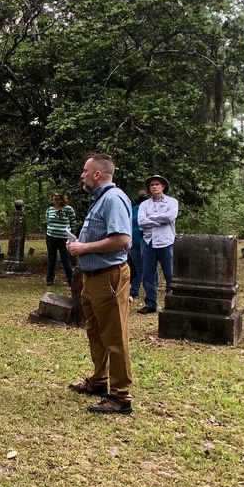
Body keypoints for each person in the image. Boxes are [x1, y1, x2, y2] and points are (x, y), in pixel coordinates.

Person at [66, 154, 134, 415]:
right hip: (92, 278)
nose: (82, 175)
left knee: (115, 336)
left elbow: (122, 240)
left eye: (85, 171)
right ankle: (98, 381)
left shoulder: (113, 199)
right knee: (96, 332)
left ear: (97, 174)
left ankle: (120, 397)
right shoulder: (100, 200)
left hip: (109, 278)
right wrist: (78, 246)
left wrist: (84, 247)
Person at [137, 174, 178, 315]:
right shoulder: (144, 204)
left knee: (170, 274)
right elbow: (141, 222)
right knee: (148, 274)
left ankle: (172, 303)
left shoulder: (172, 202)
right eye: (152, 185)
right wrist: (160, 220)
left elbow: (170, 217)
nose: (154, 187)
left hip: (166, 242)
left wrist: (152, 218)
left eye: (157, 184)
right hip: (149, 242)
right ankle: (150, 304)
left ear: (163, 187)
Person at [44, 193, 78, 286]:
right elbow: (48, 221)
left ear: (62, 198)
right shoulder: (49, 209)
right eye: (53, 196)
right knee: (51, 258)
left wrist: (70, 233)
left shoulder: (68, 209)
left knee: (65, 259)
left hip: (63, 238)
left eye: (57, 196)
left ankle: (71, 279)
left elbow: (73, 222)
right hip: (51, 237)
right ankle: (49, 279)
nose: (55, 198)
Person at [129, 188, 148, 301]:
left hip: (147, 241)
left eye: (144, 195)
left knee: (149, 267)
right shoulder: (133, 209)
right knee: (137, 267)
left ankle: (151, 288)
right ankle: (134, 289)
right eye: (140, 195)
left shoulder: (150, 209)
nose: (142, 196)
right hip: (134, 241)